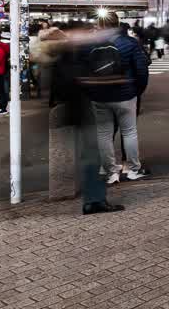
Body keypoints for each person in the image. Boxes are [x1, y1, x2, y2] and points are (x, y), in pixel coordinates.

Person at [52, 27, 124, 215]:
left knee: (90, 157)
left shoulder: (65, 55)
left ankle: (94, 199)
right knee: (92, 158)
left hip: (76, 110)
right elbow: (72, 82)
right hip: (81, 110)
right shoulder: (69, 57)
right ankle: (94, 201)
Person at [86, 14, 150, 184]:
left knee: (104, 133)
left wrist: (91, 91)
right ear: (117, 24)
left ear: (99, 25)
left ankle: (111, 173)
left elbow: (85, 70)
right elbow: (142, 70)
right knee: (129, 132)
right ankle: (133, 170)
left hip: (99, 96)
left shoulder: (91, 44)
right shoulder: (129, 43)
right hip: (125, 94)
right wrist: (137, 90)